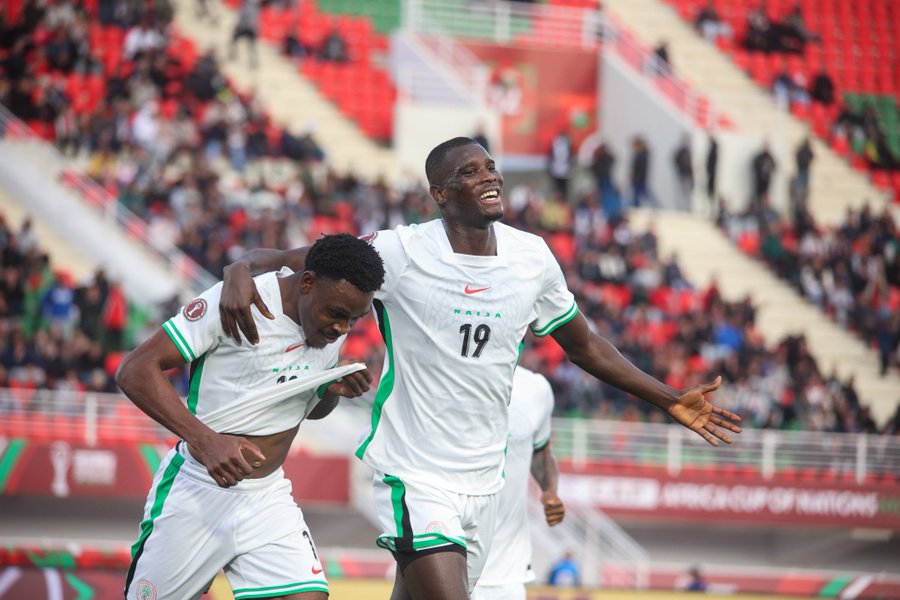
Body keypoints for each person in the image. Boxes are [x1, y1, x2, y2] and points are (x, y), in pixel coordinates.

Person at [218, 137, 742, 600]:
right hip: (415, 474)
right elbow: (308, 260)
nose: (489, 175)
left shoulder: (532, 257)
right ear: (440, 194)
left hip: (484, 483)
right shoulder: (402, 250)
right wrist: (241, 267)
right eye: (469, 171)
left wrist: (667, 397)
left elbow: (587, 348)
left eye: (490, 166)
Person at [116, 234, 385, 600]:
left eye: (354, 319)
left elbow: (313, 410)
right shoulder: (238, 301)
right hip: (197, 491)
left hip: (266, 496)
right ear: (307, 283)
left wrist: (331, 389)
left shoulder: (330, 314)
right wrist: (205, 440)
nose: (343, 328)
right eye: (337, 315)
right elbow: (134, 369)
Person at [471, 367, 564, 600]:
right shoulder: (446, 372)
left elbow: (541, 452)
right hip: (444, 552)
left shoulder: (537, 388)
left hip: (507, 573)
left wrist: (550, 491)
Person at [672, 135, 694, 211]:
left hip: (687, 175)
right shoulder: (680, 151)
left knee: (687, 192)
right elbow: (675, 160)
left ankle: (687, 208)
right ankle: (680, 208)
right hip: (681, 174)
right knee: (680, 192)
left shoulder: (689, 151)